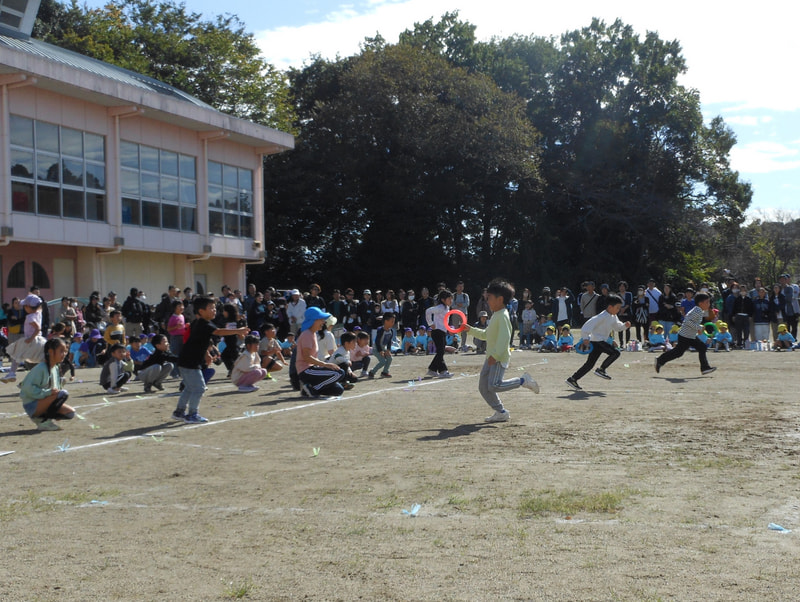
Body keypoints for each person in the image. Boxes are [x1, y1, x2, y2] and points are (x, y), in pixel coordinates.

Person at [464, 279, 539, 423]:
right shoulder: (496, 315)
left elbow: (505, 340)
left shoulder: (503, 316)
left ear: (500, 299)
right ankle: (501, 412)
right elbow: (486, 335)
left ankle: (523, 380)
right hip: (491, 357)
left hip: (497, 358)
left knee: (494, 385)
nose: (487, 300)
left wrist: (496, 356)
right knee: (483, 387)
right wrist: (471, 329)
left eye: (490, 298)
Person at [173, 296, 249, 423]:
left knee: (190, 387)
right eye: (211, 308)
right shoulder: (204, 323)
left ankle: (179, 412)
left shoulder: (200, 323)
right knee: (199, 388)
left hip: (186, 360)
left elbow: (203, 339)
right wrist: (238, 330)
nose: (214, 310)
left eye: (214, 307)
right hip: (190, 362)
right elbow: (218, 332)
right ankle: (192, 414)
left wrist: (207, 353)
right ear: (201, 311)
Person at [566, 294, 630, 391]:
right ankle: (601, 369)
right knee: (616, 353)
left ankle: (573, 379)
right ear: (610, 307)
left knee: (589, 364)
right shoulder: (602, 316)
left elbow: (617, 327)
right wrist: (585, 337)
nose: (618, 310)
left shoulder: (613, 316)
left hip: (599, 341)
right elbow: (586, 326)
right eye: (617, 308)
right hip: (597, 341)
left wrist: (624, 325)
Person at [18, 337, 75, 431]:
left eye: (65, 351)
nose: (64, 354)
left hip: (43, 401)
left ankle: (45, 418)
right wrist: (48, 393)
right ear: (51, 352)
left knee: (70, 413)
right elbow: (26, 388)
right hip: (32, 404)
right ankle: (42, 421)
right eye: (61, 351)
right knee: (63, 394)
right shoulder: (41, 368)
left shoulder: (55, 367)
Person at [655, 292, 716, 376]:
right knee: (680, 352)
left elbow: (691, 321)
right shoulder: (697, 311)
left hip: (689, 335)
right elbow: (687, 321)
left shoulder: (698, 310)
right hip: (686, 336)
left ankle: (705, 368)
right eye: (707, 302)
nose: (709, 304)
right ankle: (660, 360)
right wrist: (698, 327)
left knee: (698, 348)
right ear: (700, 303)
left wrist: (698, 327)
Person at [296, 306, 347, 398]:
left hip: (312, 369)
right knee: (339, 373)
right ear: (313, 320)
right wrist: (326, 365)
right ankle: (313, 389)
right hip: (306, 370)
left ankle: (308, 389)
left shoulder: (312, 334)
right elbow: (306, 357)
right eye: (321, 319)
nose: (323, 322)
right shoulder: (307, 334)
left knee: (338, 390)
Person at [425, 289, 454, 378]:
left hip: (442, 332)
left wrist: (448, 329)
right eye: (449, 299)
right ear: (443, 300)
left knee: (440, 352)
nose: (451, 301)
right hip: (437, 331)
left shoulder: (446, 308)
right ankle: (442, 371)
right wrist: (430, 323)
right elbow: (428, 311)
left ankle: (433, 370)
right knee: (440, 352)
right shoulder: (440, 307)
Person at [369, 312, 396, 378]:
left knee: (389, 358)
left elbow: (389, 341)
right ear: (386, 321)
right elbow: (377, 341)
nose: (393, 323)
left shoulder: (391, 331)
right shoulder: (381, 330)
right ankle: (372, 372)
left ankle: (385, 372)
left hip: (383, 348)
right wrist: (380, 351)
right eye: (392, 321)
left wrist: (388, 350)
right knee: (383, 361)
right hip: (376, 349)